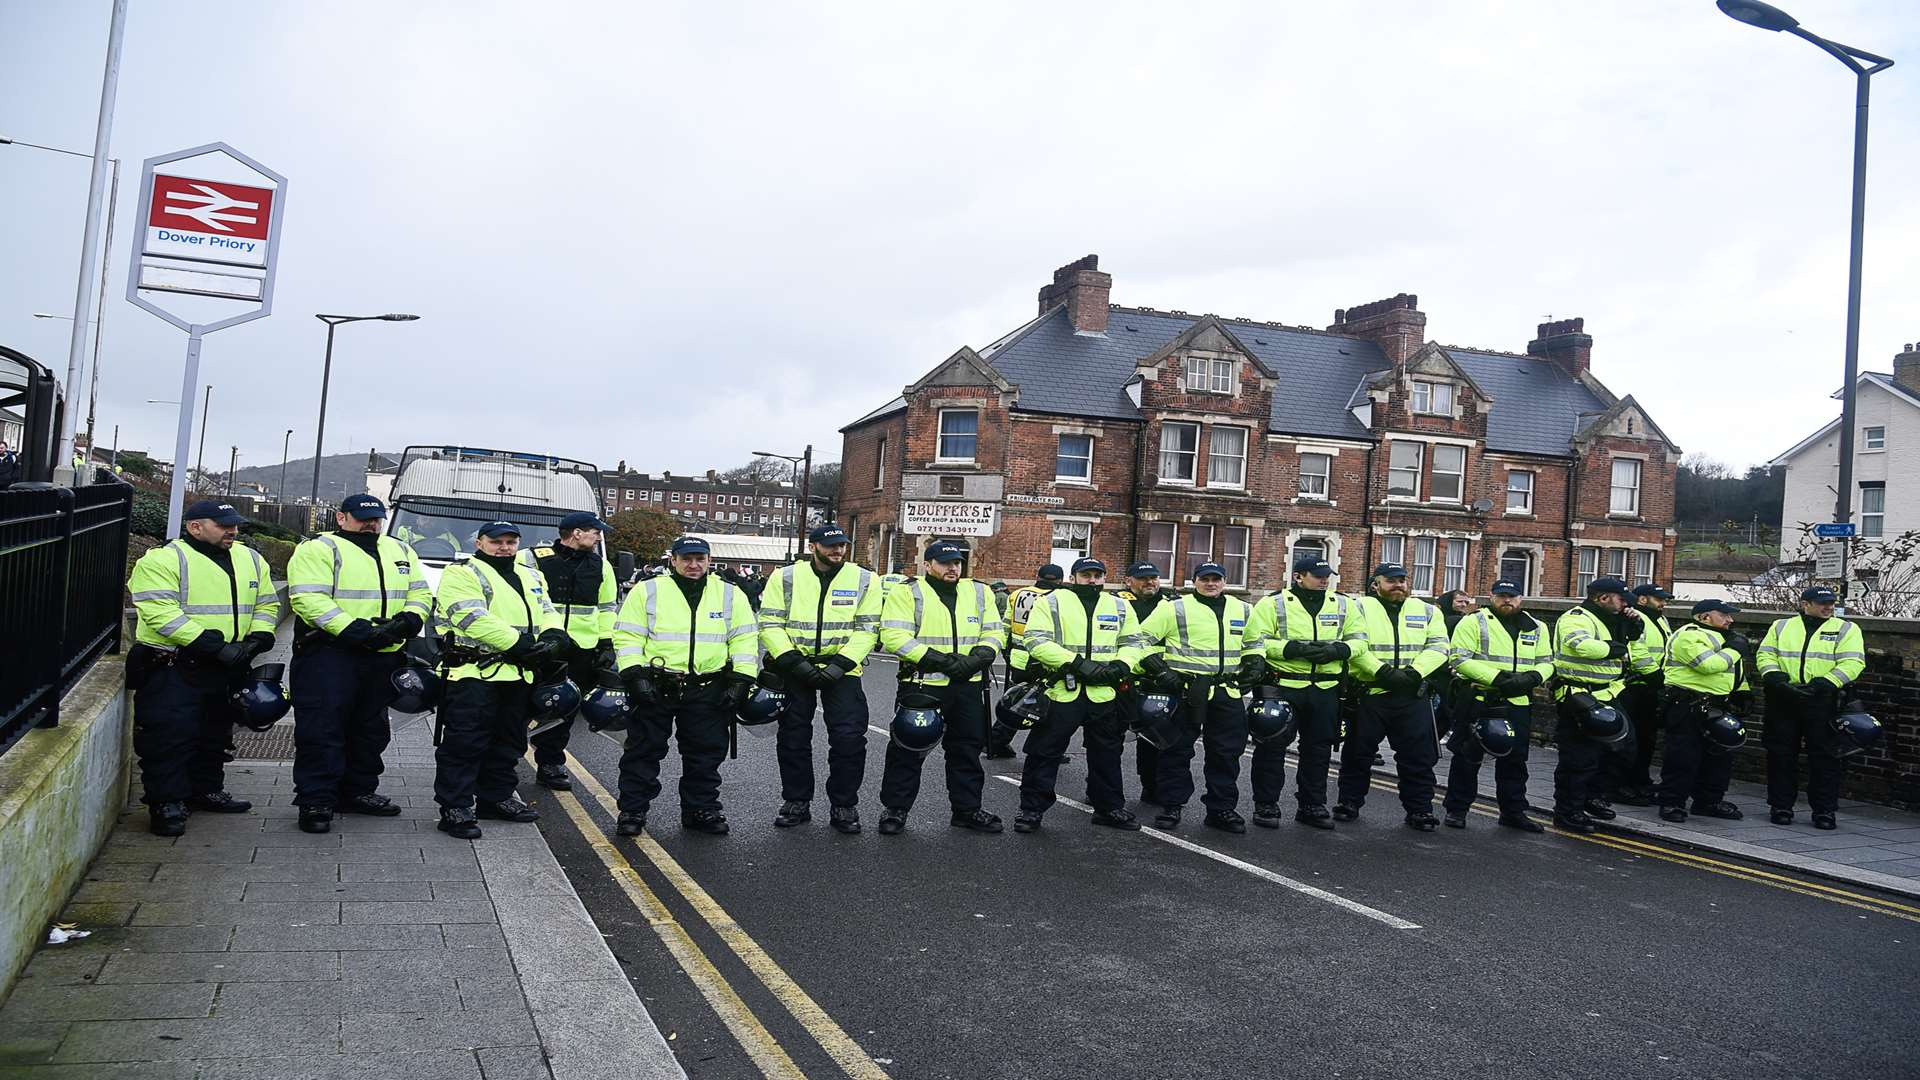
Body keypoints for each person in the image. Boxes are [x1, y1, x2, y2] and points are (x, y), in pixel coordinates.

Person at [124, 500, 281, 835]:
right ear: (195, 527)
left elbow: (267, 603)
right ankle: (166, 803)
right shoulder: (165, 559)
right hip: (175, 665)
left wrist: (257, 639)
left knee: (215, 734)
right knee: (169, 737)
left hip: (227, 666)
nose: (233, 531)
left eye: (235, 525)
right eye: (224, 525)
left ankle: (207, 789)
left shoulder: (250, 558)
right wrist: (214, 647)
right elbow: (159, 612)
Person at [284, 493, 431, 833]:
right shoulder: (319, 549)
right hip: (330, 655)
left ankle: (358, 791)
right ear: (341, 517)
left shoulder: (400, 550)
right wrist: (356, 631)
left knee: (371, 729)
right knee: (322, 729)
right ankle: (316, 800)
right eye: (363, 517)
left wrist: (409, 620)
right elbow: (308, 598)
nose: (371, 523)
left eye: (376, 517)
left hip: (382, 656)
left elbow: (421, 592)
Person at [611, 536, 760, 836]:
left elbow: (744, 639)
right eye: (687, 559)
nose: (694, 565)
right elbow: (628, 637)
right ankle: (633, 810)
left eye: (700, 559)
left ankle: (701, 809)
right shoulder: (648, 591)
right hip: (657, 685)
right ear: (673, 560)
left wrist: (741, 680)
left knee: (704, 755)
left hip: (708, 686)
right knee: (643, 751)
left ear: (708, 560)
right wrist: (635, 675)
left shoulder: (730, 594)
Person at [431, 521, 568, 839]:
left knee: (510, 742)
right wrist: (521, 646)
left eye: (510, 541)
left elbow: (547, 609)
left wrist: (553, 636)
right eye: (496, 542)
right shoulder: (462, 573)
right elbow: (472, 618)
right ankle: (456, 807)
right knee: (465, 743)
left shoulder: (531, 574)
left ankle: (496, 798)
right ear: (479, 543)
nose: (504, 547)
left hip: (518, 672)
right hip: (474, 672)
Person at [876, 541, 1006, 834]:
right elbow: (894, 636)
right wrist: (942, 661)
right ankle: (895, 810)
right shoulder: (907, 591)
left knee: (967, 750)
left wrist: (979, 658)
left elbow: (995, 632)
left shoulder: (980, 591)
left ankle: (967, 809)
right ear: (927, 564)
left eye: (957, 563)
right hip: (923, 684)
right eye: (945, 562)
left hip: (968, 686)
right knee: (908, 748)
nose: (953, 568)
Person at [761, 525, 883, 834]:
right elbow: (770, 624)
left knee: (849, 739)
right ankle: (796, 802)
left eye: (842, 545)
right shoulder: (785, 577)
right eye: (830, 546)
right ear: (813, 546)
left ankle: (844, 805)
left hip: (842, 671)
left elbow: (868, 629)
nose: (837, 551)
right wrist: (794, 662)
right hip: (794, 667)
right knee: (793, 738)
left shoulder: (865, 579)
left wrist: (839, 665)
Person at [1014, 557, 1147, 833]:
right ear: (1073, 577)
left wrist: (1122, 665)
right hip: (1063, 689)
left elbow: (1134, 642)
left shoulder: (1119, 605)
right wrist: (1076, 663)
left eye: (1098, 575)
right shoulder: (1052, 601)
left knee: (1107, 753)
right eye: (1086, 574)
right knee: (1044, 751)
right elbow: (1036, 640)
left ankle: (1109, 807)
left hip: (1104, 692)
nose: (1092, 580)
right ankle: (1031, 810)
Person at [1241, 555, 1362, 829]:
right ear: (1298, 576)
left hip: (1326, 688)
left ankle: (1312, 805)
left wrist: (1340, 650)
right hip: (1282, 686)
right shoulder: (1274, 603)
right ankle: (1266, 805)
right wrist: (1290, 649)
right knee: (1271, 748)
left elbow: (1360, 640)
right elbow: (1254, 640)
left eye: (1326, 575)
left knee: (1318, 750)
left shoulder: (1344, 604)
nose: (1324, 579)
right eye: (1317, 575)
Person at [1136, 563, 1250, 832]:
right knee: (1176, 750)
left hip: (1226, 691)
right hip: (1186, 690)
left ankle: (1221, 809)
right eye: (1205, 579)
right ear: (1194, 581)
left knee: (1226, 754)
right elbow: (1138, 640)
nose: (1211, 584)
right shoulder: (1174, 608)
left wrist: (1255, 664)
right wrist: (1160, 670)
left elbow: (1255, 642)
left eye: (1216, 579)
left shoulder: (1243, 609)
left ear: (1225, 581)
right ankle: (1171, 806)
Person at [1338, 563, 1449, 830]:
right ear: (1376, 584)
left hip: (1412, 696)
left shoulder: (1427, 610)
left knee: (1418, 758)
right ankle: (1348, 803)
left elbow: (1439, 646)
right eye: (1391, 580)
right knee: (1357, 755)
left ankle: (1420, 810)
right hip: (1371, 693)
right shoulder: (1358, 608)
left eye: (1402, 580)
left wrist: (1414, 672)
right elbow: (1354, 644)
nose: (1398, 585)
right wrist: (1383, 671)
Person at [1441, 579, 1551, 831]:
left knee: (1515, 761)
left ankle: (1513, 812)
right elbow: (1459, 658)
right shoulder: (1473, 621)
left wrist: (1532, 677)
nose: (1507, 601)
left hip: (1517, 702)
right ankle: (1457, 809)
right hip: (1481, 699)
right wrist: (1499, 679)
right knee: (1468, 758)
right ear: (1491, 596)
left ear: (1520, 598)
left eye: (1512, 596)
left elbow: (1547, 661)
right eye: (1501, 596)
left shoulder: (1537, 627)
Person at [1755, 586, 1866, 830]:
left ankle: (1824, 812)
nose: (1828, 607)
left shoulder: (1846, 628)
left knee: (1825, 758)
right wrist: (1775, 677)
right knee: (1780, 755)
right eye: (1822, 603)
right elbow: (1765, 654)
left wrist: (1827, 682)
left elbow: (1853, 662)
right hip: (1785, 698)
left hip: (1823, 700)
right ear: (1805, 604)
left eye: (1831, 603)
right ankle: (1781, 807)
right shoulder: (1781, 626)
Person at [524, 510, 619, 792]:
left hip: (581, 649)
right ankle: (503, 762)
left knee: (562, 708)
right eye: (595, 531)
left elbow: (607, 608)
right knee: (518, 705)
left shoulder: (602, 566)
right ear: (577, 533)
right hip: (540, 645)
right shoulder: (531, 559)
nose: (599, 536)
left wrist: (605, 643)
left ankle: (550, 763)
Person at [1549, 576, 1643, 834]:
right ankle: (1568, 811)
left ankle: (1594, 796)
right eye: (1621, 600)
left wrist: (1632, 624)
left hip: (1608, 693)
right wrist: (1614, 649)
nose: (1625, 605)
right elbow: (1582, 646)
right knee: (1579, 758)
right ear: (1603, 598)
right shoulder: (1576, 617)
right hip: (1578, 695)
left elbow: (1630, 643)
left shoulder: (1610, 618)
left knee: (1623, 749)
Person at [1656, 599, 1752, 823]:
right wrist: (1735, 650)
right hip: (1687, 704)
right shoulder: (1689, 635)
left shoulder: (1725, 638)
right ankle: (1672, 803)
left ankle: (1708, 802)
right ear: (1704, 617)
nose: (1731, 620)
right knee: (1682, 757)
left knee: (1719, 758)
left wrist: (1743, 691)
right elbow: (1707, 665)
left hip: (1718, 705)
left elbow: (1734, 672)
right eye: (1724, 615)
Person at [984, 563, 1066, 759]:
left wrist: (1005, 650)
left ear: (1037, 576)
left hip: (1019, 658)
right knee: (1050, 705)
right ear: (1061, 580)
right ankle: (1046, 748)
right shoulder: (1059, 599)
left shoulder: (1018, 594)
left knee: (1017, 700)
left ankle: (995, 742)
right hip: (1045, 659)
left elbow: (1005, 624)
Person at [1607, 584, 1674, 806]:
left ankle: (1640, 780)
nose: (1663, 603)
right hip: (1634, 685)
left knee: (1647, 738)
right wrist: (1653, 674)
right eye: (1659, 599)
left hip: (1652, 686)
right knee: (1629, 739)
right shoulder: (1635, 619)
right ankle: (1620, 785)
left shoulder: (1660, 620)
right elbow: (1635, 650)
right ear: (1643, 599)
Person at [1117, 562, 1173, 801]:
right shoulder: (1116, 603)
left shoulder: (1172, 604)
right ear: (1129, 580)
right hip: (1125, 677)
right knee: (1110, 739)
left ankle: (1152, 787)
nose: (1150, 582)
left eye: (1154, 577)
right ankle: (1101, 790)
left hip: (1160, 679)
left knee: (1155, 738)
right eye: (1143, 578)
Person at [1431, 589, 1478, 741]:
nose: (1464, 605)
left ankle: (1431, 738)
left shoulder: (1461, 619)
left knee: (1446, 709)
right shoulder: (1451, 621)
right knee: (1451, 707)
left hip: (1449, 670)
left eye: (1466, 602)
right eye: (1459, 601)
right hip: (1445, 670)